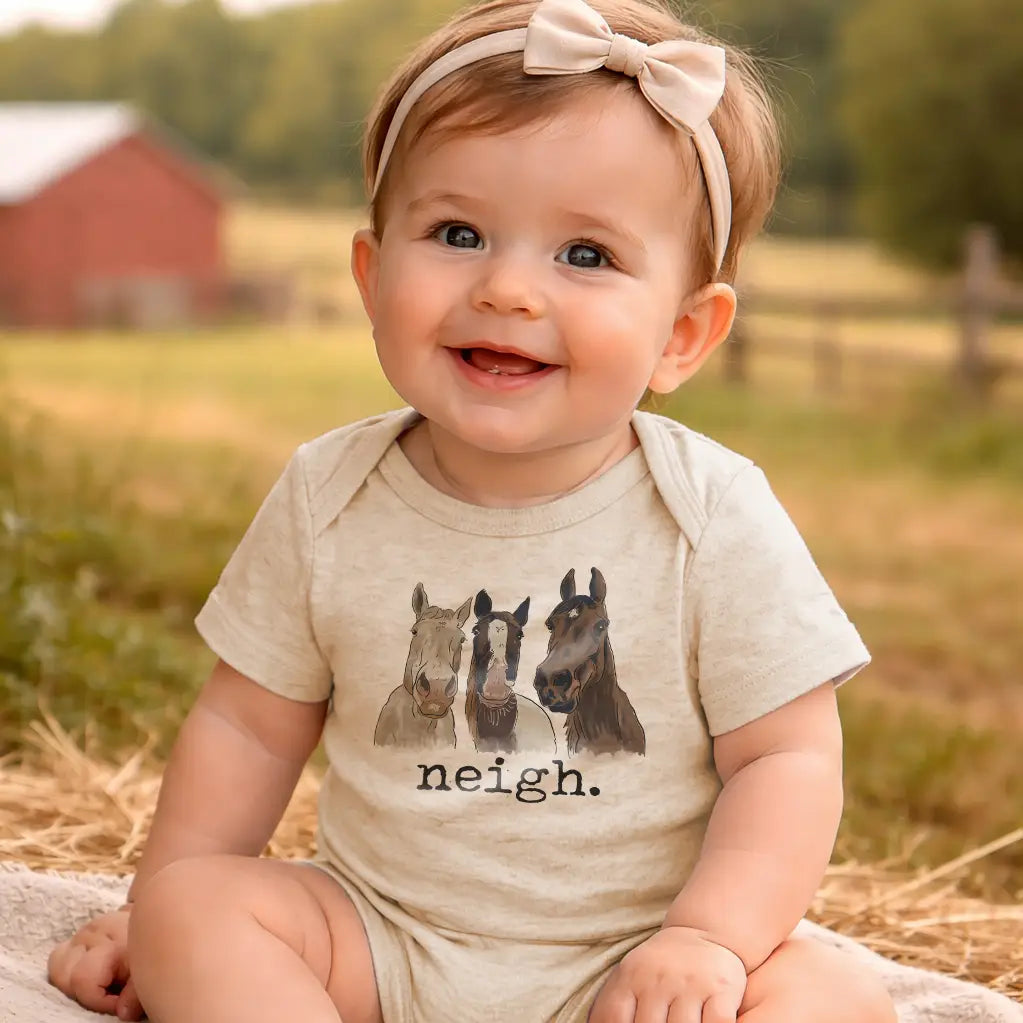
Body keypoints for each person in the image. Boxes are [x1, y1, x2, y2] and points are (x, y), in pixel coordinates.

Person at [47, 1, 899, 1020]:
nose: (507, 289)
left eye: (585, 256)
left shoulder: (710, 515)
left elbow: (788, 758)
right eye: (458, 233)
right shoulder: (331, 494)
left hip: (634, 967)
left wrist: (709, 938)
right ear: (372, 277)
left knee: (832, 988)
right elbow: (244, 728)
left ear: (683, 335)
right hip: (378, 939)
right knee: (193, 908)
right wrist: (154, 910)